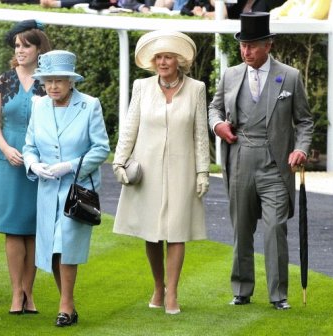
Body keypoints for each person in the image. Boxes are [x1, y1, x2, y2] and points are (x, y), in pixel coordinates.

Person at [209, 12, 313, 309]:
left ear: (268, 44)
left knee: (275, 229)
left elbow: (304, 121)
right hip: (240, 160)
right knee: (241, 229)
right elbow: (214, 109)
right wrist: (218, 125)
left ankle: (278, 295)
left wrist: (301, 149)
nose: (246, 51)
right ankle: (242, 289)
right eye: (243, 45)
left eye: (253, 45)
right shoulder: (230, 75)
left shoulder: (289, 76)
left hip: (276, 165)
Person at [113, 31, 210, 315]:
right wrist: (119, 162)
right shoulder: (142, 86)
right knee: (151, 233)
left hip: (183, 167)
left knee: (177, 231)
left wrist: (203, 171)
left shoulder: (196, 89)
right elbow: (130, 125)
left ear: (179, 61)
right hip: (147, 168)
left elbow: (200, 133)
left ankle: (172, 293)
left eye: (168, 56)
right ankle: (158, 286)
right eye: (158, 57)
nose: (163, 62)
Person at [23, 50, 110, 326]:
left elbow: (101, 149)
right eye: (47, 81)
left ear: (71, 81)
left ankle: (65, 305)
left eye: (58, 80)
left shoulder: (90, 105)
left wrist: (71, 166)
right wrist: (34, 164)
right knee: (55, 249)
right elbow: (29, 146)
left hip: (77, 190)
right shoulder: (39, 107)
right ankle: (68, 305)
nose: (52, 86)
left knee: (66, 243)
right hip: (48, 190)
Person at [0, 20, 51, 314]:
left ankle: (30, 293)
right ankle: (16, 294)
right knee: (13, 230)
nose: (20, 50)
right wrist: (5, 148)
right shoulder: (2, 81)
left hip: (40, 163)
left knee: (34, 230)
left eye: (26, 45)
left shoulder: (50, 81)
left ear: (39, 48)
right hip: (6, 161)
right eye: (17, 46)